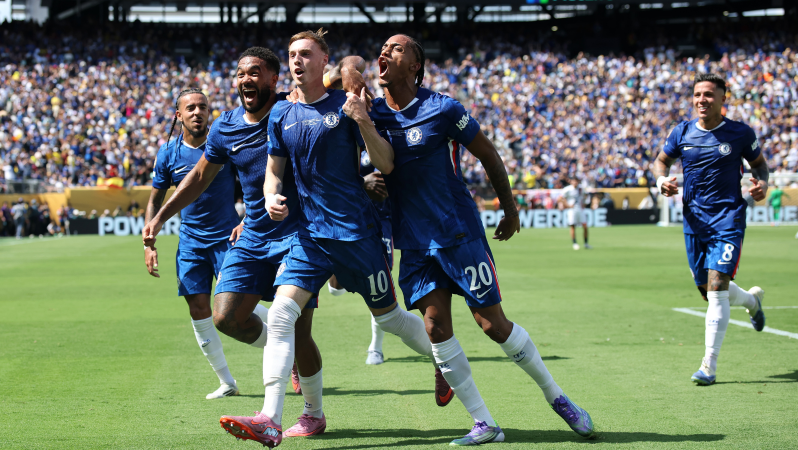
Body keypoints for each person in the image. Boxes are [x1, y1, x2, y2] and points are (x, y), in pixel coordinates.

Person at [347, 34, 596, 445]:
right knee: (434, 325)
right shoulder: (372, 116)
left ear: (415, 66)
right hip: (414, 241)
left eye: (397, 47)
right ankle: (484, 423)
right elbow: (352, 151)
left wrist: (510, 209)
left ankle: (558, 398)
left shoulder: (442, 109)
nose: (386, 52)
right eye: (383, 49)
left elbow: (488, 153)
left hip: (457, 232)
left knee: (491, 325)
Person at [219, 29, 450, 448]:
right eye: (291, 54)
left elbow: (386, 162)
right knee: (281, 317)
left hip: (357, 237)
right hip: (309, 237)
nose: (296, 60)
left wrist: (360, 116)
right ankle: (271, 419)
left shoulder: (344, 107)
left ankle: (441, 360)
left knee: (391, 319)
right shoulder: (280, 115)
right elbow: (274, 170)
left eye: (306, 53)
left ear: (323, 60)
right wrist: (271, 197)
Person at [654, 73, 768, 386]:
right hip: (694, 221)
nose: (701, 100)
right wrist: (661, 180)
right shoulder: (683, 131)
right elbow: (660, 161)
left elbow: (759, 164)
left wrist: (763, 185)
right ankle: (751, 302)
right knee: (708, 291)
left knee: (717, 289)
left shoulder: (739, 133)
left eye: (708, 94)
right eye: (697, 94)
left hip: (728, 219)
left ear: (722, 98)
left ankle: (708, 366)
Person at [144, 88, 246, 399]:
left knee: (233, 308)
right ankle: (227, 381)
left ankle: (288, 346)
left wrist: (247, 220)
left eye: (202, 106)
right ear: (179, 115)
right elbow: (155, 200)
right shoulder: (168, 153)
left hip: (228, 237)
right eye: (190, 108)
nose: (197, 112)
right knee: (198, 308)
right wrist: (149, 242)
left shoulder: (224, 145)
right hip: (190, 241)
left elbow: (251, 185)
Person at [327, 153, 393, 366]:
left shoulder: (390, 135)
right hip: (351, 217)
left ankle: (376, 348)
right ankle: (350, 276)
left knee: (381, 284)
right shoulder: (347, 134)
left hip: (383, 219)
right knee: (335, 290)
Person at [562, 176, 591, 250]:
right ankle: (575, 243)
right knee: (572, 226)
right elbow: (562, 198)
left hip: (580, 209)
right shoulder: (567, 189)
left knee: (585, 226)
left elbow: (586, 196)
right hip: (572, 210)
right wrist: (568, 205)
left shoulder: (581, 188)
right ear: (571, 181)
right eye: (573, 181)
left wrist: (584, 203)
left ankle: (586, 243)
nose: (575, 182)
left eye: (576, 181)